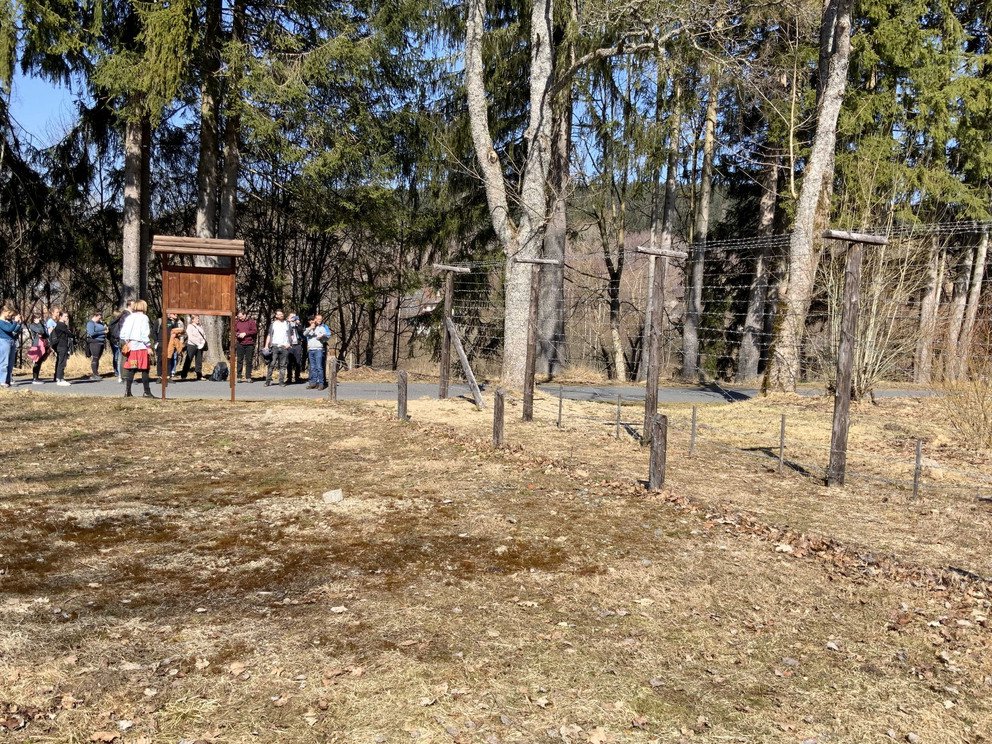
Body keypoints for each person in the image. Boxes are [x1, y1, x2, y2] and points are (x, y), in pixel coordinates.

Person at [119, 299, 154, 398]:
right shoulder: (144, 318)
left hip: (132, 346)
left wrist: (127, 342)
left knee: (131, 369)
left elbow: (123, 333)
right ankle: (146, 392)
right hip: (141, 347)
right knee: (144, 369)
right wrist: (148, 346)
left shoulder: (130, 317)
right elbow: (144, 333)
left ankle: (128, 391)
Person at [263, 309, 290, 387]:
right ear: (276, 316)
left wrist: (289, 343)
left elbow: (291, 334)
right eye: (279, 314)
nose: (281, 315)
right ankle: (268, 381)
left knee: (283, 366)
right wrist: (266, 345)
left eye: (282, 314)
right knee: (271, 364)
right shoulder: (273, 324)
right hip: (274, 346)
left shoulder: (287, 323)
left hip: (284, 347)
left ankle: (281, 382)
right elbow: (269, 335)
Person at [108, 301, 132, 382]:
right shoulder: (126, 316)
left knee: (118, 357)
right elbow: (123, 329)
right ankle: (121, 375)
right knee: (121, 358)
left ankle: (119, 374)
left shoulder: (121, 316)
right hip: (121, 339)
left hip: (117, 339)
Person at [304, 314, 330, 390]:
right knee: (312, 367)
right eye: (318, 319)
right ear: (314, 319)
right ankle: (313, 383)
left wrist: (322, 337)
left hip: (319, 349)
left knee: (319, 367)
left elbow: (326, 338)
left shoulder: (322, 328)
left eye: (321, 319)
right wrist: (310, 328)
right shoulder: (309, 328)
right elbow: (304, 334)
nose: (319, 320)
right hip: (311, 349)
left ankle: (321, 384)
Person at [0, 307, 22, 388]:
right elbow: (9, 329)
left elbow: (14, 330)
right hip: (4, 341)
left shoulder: (7, 321)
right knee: (4, 362)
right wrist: (15, 321)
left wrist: (19, 324)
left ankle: (8, 380)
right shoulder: (0, 322)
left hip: (11, 341)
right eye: (9, 314)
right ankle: (2, 381)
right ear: (4, 312)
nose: (11, 316)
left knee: (10, 362)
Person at [49, 311, 73, 386]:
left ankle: (58, 377)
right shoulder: (61, 325)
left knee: (60, 361)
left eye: (67, 316)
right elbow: (70, 334)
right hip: (61, 345)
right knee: (62, 362)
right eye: (65, 316)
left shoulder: (59, 325)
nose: (67, 318)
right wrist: (73, 335)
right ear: (60, 317)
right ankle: (60, 379)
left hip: (60, 345)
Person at [180, 314, 206, 380]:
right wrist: (197, 343)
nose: (198, 319)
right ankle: (183, 375)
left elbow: (203, 335)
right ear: (193, 319)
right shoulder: (190, 326)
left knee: (199, 361)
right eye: (197, 318)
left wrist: (203, 342)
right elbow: (190, 337)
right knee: (188, 360)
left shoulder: (200, 326)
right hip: (192, 345)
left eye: (198, 318)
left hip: (200, 346)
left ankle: (199, 375)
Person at [26, 312, 49, 384]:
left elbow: (45, 334)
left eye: (38, 318)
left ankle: (37, 377)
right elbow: (40, 331)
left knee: (40, 361)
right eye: (35, 318)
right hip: (37, 345)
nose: (37, 319)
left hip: (43, 344)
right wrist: (39, 324)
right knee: (37, 361)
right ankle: (34, 378)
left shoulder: (42, 324)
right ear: (33, 318)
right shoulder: (32, 325)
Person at [234, 311, 257, 383]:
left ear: (245, 315)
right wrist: (237, 334)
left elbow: (255, 331)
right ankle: (239, 377)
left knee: (249, 361)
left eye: (241, 317)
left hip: (249, 344)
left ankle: (248, 377)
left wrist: (245, 333)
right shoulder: (237, 322)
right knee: (239, 360)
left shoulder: (251, 322)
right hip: (240, 343)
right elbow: (233, 331)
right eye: (239, 317)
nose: (240, 318)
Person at [85, 312, 108, 380]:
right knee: (95, 358)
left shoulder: (100, 323)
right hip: (94, 342)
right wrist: (103, 332)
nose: (100, 319)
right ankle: (94, 374)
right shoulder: (90, 323)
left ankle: (96, 373)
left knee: (98, 358)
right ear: (95, 316)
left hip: (101, 342)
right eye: (99, 317)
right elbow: (91, 333)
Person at [286, 313, 304, 384]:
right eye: (292, 317)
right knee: (289, 362)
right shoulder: (285, 324)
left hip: (297, 345)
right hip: (289, 345)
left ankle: (297, 377)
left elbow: (301, 331)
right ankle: (289, 378)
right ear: (288, 318)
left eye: (294, 317)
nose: (293, 318)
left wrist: (298, 323)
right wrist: (289, 322)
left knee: (298, 362)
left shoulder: (297, 325)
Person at [166, 313, 185, 378]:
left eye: (177, 314)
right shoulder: (166, 321)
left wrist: (181, 341)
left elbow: (182, 332)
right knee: (168, 356)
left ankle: (172, 371)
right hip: (168, 341)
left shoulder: (179, 322)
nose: (176, 315)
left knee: (174, 357)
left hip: (176, 341)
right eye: (174, 314)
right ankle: (167, 372)